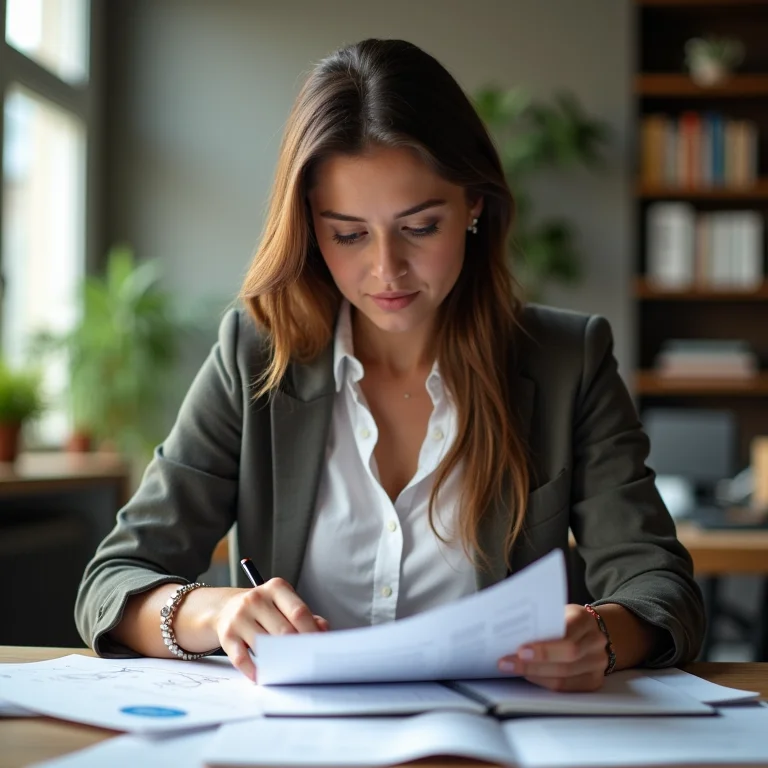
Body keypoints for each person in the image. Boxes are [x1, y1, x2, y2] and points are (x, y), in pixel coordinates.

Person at [75, 38, 705, 692]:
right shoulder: (255, 354)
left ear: (474, 206)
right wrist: (216, 611)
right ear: (310, 227)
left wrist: (600, 634)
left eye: (420, 226)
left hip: (492, 739)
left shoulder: (566, 361)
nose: (385, 270)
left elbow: (661, 588)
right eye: (348, 234)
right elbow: (113, 580)